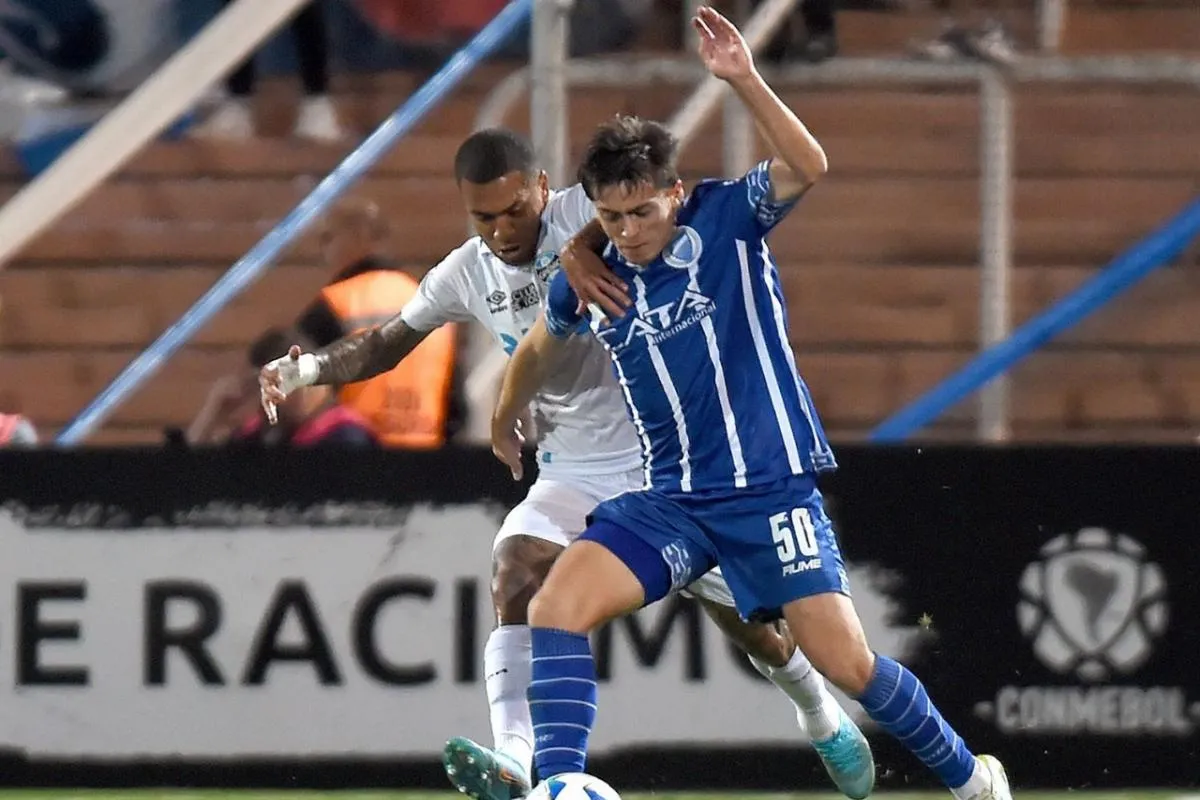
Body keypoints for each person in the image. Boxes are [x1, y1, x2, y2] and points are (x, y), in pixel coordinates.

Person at [489, 7, 1012, 800]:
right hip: (670, 501)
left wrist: (743, 79)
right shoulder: (591, 273)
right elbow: (537, 345)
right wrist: (504, 413)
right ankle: (561, 786)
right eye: (610, 216)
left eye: (642, 212)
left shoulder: (728, 221)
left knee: (849, 665)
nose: (628, 232)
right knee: (557, 605)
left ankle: (974, 780)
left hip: (769, 493)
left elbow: (809, 164)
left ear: (676, 192)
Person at [258, 128, 873, 800]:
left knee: (755, 631)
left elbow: (675, 203)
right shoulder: (466, 271)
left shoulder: (594, 211)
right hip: (576, 468)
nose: (501, 231)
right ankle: (516, 764)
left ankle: (818, 713)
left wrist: (582, 248)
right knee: (515, 568)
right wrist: (308, 370)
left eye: (514, 210)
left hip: (679, 465)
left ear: (544, 191)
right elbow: (385, 344)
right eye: (483, 217)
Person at [295, 198, 460, 450]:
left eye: (329, 238)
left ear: (358, 236)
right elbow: (456, 406)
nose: (323, 250)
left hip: (352, 459)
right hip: (424, 464)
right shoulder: (432, 304)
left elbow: (298, 397)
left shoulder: (335, 304)